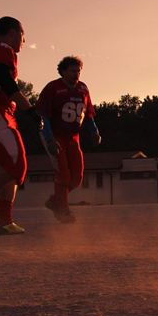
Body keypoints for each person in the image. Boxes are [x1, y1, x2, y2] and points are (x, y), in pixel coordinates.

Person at [0, 17, 47, 235]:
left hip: (1, 111)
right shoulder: (2, 49)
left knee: (12, 168)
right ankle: (4, 220)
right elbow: (5, 80)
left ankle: (5, 220)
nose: (24, 39)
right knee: (15, 163)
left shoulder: (0, 51)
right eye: (23, 34)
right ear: (12, 32)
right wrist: (30, 109)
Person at [38, 56, 100, 224]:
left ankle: (55, 201)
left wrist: (94, 131)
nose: (77, 74)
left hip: (73, 137)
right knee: (63, 175)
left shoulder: (83, 88)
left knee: (77, 177)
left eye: (78, 70)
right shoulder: (53, 88)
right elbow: (43, 116)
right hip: (55, 135)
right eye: (73, 70)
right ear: (63, 71)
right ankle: (64, 210)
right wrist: (49, 138)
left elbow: (87, 114)